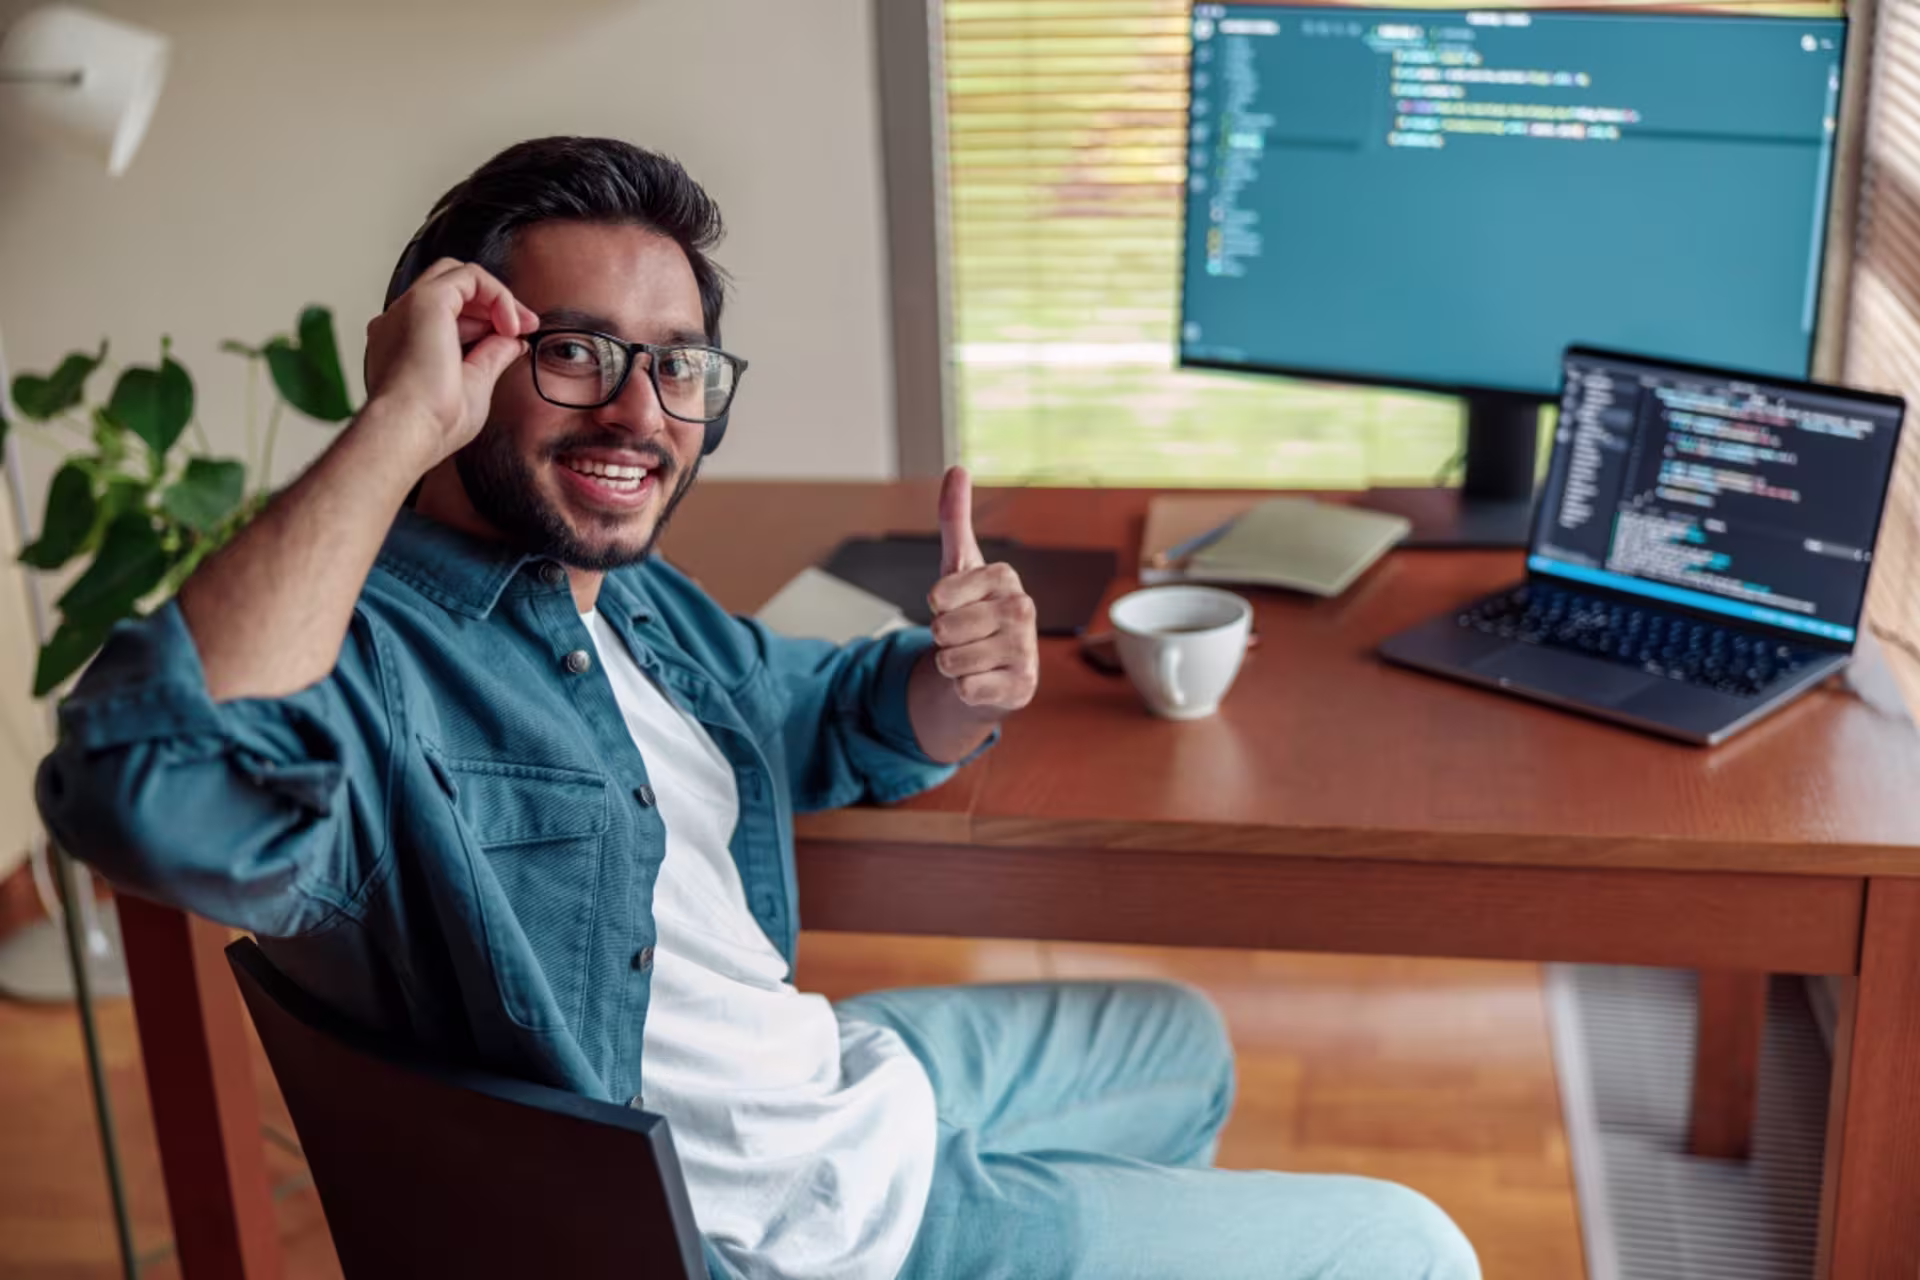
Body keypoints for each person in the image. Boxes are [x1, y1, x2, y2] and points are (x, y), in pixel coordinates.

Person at [36, 136, 1478, 1280]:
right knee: (1412, 1250)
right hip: (792, 1233)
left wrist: (947, 679)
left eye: (676, 367)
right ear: (453, 358)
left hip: (824, 1098)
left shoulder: (628, 602)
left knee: (1175, 1044)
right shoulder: (365, 666)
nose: (637, 412)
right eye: (574, 352)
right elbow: (143, 786)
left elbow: (814, 711)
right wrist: (397, 426)